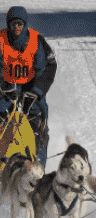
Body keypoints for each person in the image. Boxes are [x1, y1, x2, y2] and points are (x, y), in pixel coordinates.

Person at [0, 6, 57, 168]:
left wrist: (36, 92)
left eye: (20, 24)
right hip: (6, 88)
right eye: (13, 24)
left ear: (25, 24)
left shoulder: (36, 40)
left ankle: (38, 168)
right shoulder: (1, 39)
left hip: (31, 88)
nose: (16, 28)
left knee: (38, 126)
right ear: (7, 25)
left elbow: (48, 67)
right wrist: (4, 86)